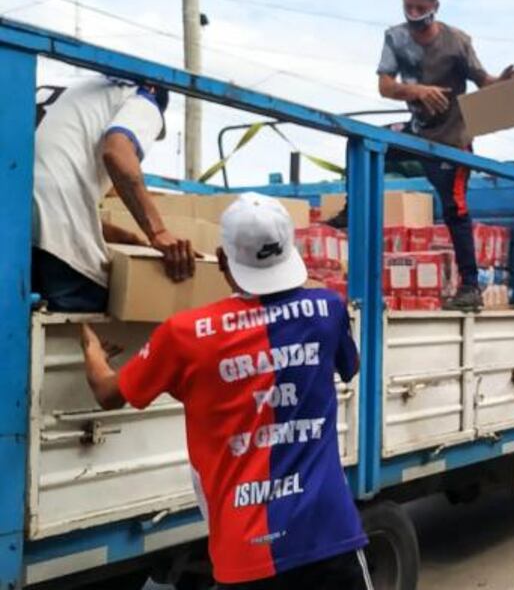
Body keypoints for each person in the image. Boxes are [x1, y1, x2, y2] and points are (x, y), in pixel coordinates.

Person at [79, 193, 371, 589]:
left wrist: (91, 350)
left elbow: (107, 393)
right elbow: (349, 367)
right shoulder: (327, 309)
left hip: (245, 553)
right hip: (328, 535)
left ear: (220, 260)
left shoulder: (183, 336)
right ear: (290, 251)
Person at [376, 0, 514, 311]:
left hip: (453, 139)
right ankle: (352, 210)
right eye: (407, 6)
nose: (413, 14)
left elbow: (484, 80)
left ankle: (470, 287)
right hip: (417, 130)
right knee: (369, 146)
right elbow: (384, 86)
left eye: (420, 8)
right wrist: (415, 90)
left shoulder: (457, 42)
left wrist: (502, 81)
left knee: (455, 208)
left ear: (435, 6)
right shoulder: (395, 38)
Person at [33, 76, 195, 312]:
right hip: (53, 237)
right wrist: (158, 231)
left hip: (14, 225)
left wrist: (126, 238)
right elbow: (117, 152)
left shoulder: (68, 95)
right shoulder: (142, 96)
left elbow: (44, 187)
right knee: (101, 301)